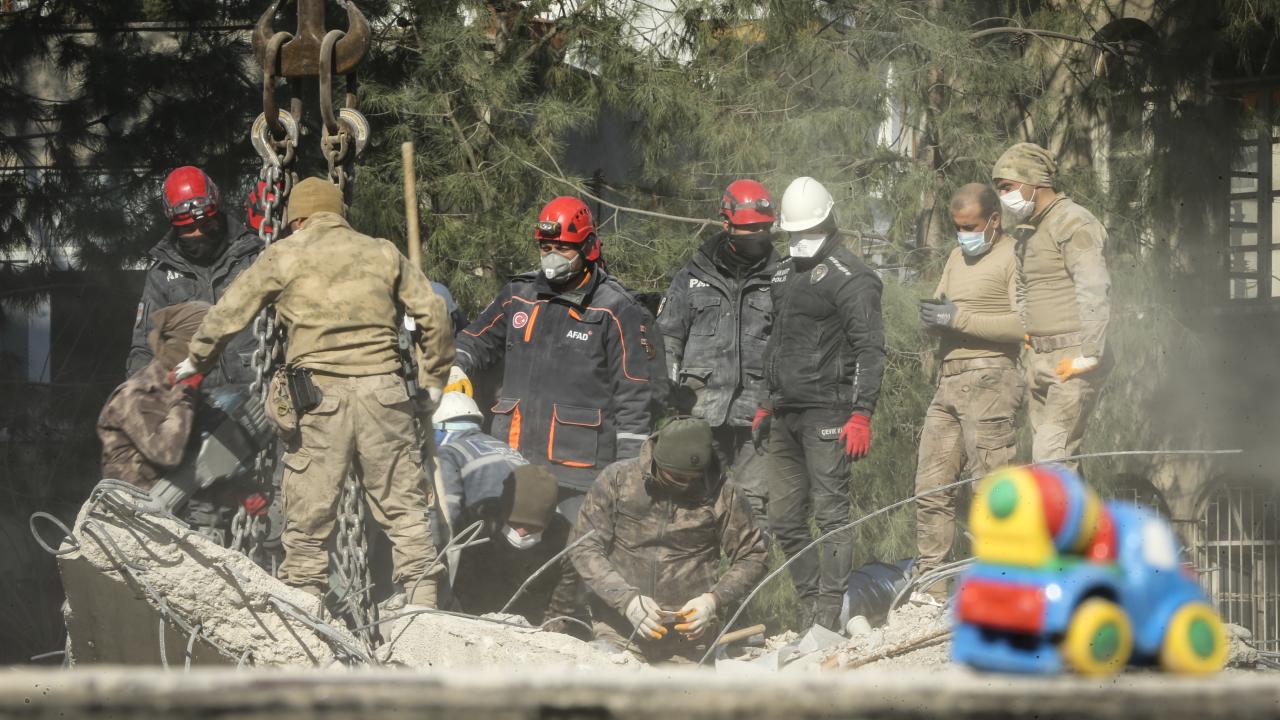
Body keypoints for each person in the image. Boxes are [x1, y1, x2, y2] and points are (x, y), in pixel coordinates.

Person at [173, 177, 455, 607]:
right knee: (403, 506)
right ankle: (424, 603)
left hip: (319, 400)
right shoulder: (382, 251)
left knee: (309, 514)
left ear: (296, 219)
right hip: (385, 395)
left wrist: (197, 360)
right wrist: (433, 380)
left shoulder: (286, 253)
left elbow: (230, 310)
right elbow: (433, 311)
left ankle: (304, 608)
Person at [450, 197, 656, 520]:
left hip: (578, 477)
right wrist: (455, 365)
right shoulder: (519, 295)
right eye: (546, 248)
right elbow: (476, 340)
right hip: (513, 463)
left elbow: (634, 399)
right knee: (507, 561)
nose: (552, 258)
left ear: (588, 247)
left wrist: (628, 478)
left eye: (562, 248)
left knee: (576, 561)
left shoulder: (616, 309)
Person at [752, 176, 886, 631]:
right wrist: (766, 402)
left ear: (830, 222)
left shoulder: (854, 279)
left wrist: (861, 414)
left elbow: (870, 349)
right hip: (785, 414)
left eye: (808, 231)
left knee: (831, 517)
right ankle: (812, 602)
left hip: (828, 414)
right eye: (793, 233)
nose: (800, 242)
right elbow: (776, 342)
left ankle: (828, 616)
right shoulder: (785, 273)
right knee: (784, 519)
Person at [571, 418, 768, 663]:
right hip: (619, 629)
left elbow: (752, 556)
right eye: (674, 477)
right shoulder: (618, 479)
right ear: (656, 462)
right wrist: (627, 600)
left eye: (691, 479)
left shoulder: (723, 493)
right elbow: (583, 545)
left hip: (689, 637)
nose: (683, 485)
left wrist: (713, 600)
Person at [912, 183, 1025, 601]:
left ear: (994, 220)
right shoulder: (956, 257)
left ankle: (1003, 586)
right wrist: (934, 317)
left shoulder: (1014, 255)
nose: (964, 234)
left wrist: (960, 319)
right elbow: (946, 307)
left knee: (992, 487)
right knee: (930, 487)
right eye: (958, 227)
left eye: (971, 226)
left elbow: (1023, 326)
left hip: (992, 377)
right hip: (949, 380)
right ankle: (931, 586)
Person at [657, 179, 779, 526]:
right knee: (691, 505)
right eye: (747, 228)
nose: (756, 235)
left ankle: (753, 579)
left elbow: (787, 346)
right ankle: (696, 579)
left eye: (763, 228)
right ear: (725, 224)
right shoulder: (691, 277)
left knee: (753, 510)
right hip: (697, 412)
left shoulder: (782, 279)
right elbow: (666, 338)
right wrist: (669, 389)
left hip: (757, 417)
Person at [992, 142, 1111, 473]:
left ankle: (1060, 526)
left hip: (1073, 360)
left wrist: (1090, 354)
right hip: (1040, 360)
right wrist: (1027, 330)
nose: (1003, 196)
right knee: (1055, 460)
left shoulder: (1074, 222)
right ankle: (1083, 525)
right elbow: (1023, 286)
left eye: (1007, 187)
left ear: (1034, 181)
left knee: (1051, 460)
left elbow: (1094, 287)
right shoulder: (1029, 230)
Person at [128, 166, 262, 389]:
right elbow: (144, 346)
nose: (199, 234)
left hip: (257, 389)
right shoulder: (161, 274)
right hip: (197, 400)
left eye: (206, 225)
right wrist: (138, 393)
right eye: (190, 228)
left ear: (217, 211)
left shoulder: (254, 256)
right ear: (174, 225)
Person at [447, 464, 585, 634]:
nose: (521, 532)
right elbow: (460, 588)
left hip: (531, 623)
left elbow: (560, 612)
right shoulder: (478, 521)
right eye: (515, 524)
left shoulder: (565, 540)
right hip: (476, 614)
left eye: (531, 527)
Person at [100, 302, 211, 491]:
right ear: (187, 347)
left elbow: (198, 464)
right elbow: (168, 455)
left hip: (170, 512)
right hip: (130, 513)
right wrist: (184, 396)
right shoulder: (134, 395)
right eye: (208, 349)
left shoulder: (183, 391)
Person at [432, 391, 529, 538]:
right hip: (534, 536)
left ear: (442, 428)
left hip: (495, 540)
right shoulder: (505, 446)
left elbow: (447, 514)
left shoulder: (449, 452)